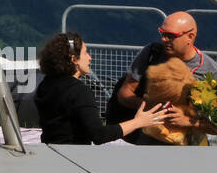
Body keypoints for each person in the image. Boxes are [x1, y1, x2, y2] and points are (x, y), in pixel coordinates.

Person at [106, 10, 217, 144]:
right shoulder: (152, 54)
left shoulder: (210, 72)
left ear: (190, 36)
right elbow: (125, 94)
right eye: (162, 33)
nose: (164, 39)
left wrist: (189, 121)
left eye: (171, 36)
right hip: (144, 144)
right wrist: (153, 108)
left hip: (188, 152)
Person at [36, 32, 175, 145]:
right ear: (74, 59)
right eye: (86, 53)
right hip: (74, 158)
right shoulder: (79, 91)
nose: (90, 58)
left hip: (51, 151)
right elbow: (99, 135)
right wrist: (138, 122)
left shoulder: (46, 85)